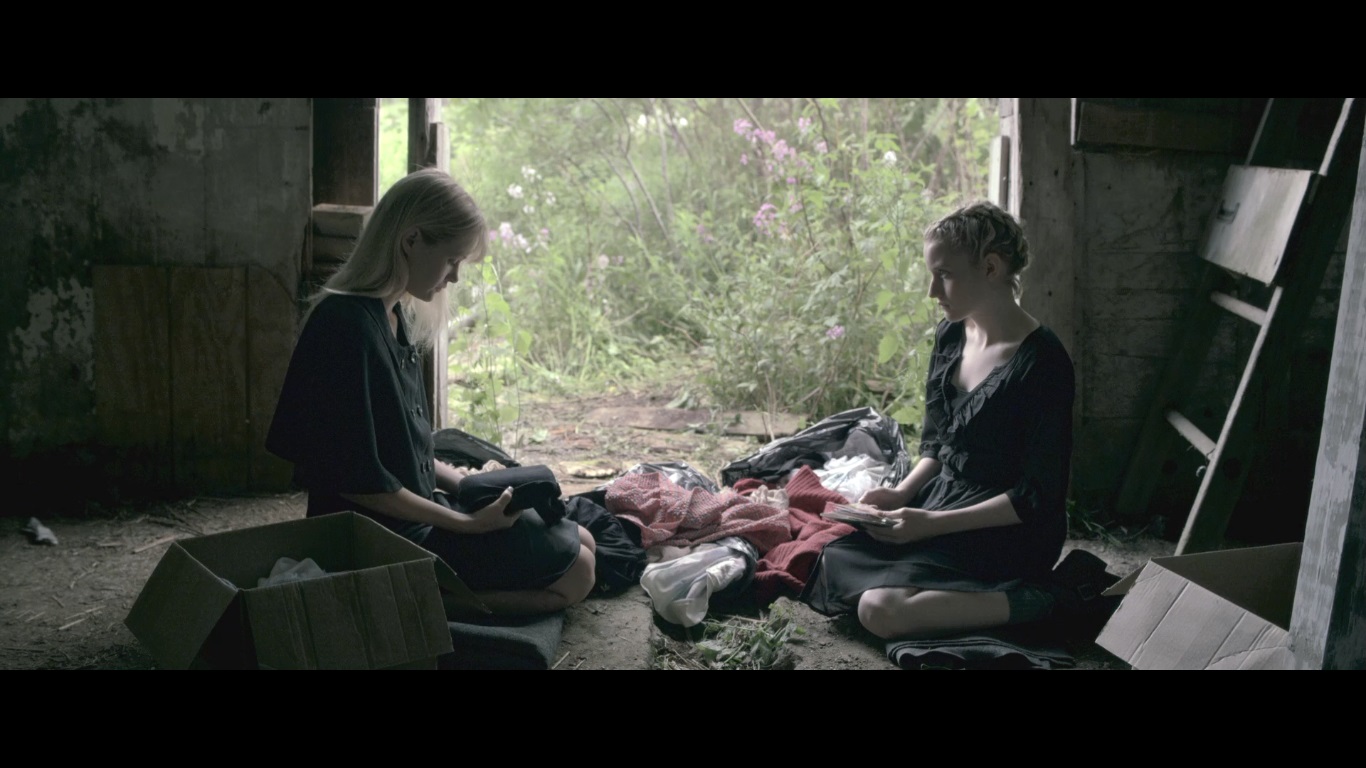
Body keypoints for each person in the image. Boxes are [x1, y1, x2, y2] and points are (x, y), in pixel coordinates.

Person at [266, 168, 595, 615]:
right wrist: (465, 523)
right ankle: (419, 604)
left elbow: (405, 447)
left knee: (583, 540)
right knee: (579, 571)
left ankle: (434, 595)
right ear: (411, 240)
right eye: (451, 260)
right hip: (374, 536)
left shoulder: (392, 315)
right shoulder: (343, 328)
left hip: (412, 512)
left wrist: (472, 486)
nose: (454, 277)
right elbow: (359, 484)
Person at [800, 200, 1098, 639]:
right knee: (829, 557)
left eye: (944, 274)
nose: (932, 291)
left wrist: (932, 525)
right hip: (944, 499)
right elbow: (939, 440)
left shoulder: (1043, 363)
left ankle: (1046, 600)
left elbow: (1035, 497)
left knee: (881, 610)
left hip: (1005, 527)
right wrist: (902, 493)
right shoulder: (952, 333)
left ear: (991, 268)